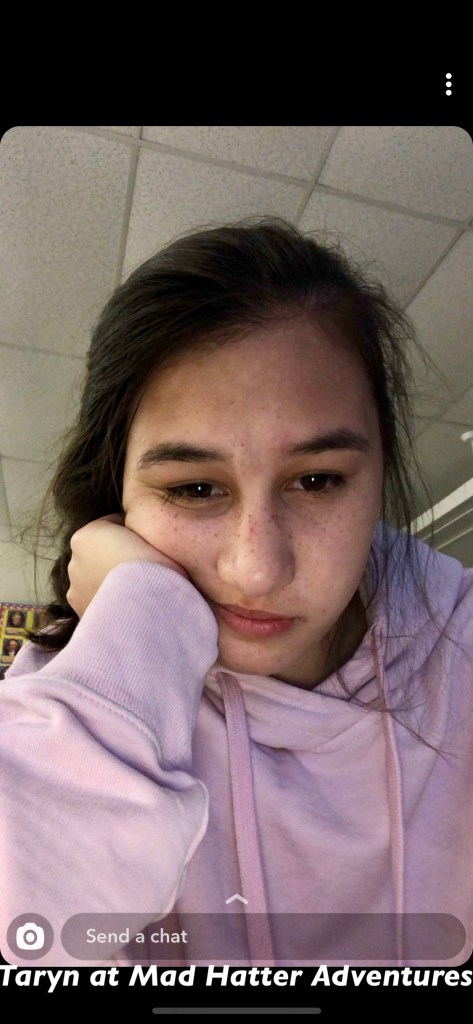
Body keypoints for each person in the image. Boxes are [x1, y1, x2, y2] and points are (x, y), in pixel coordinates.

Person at [0, 218, 472, 970]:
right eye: (194, 489)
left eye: (316, 480)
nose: (257, 569)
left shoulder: (459, 646)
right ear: (117, 493)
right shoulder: (72, 705)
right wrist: (144, 624)